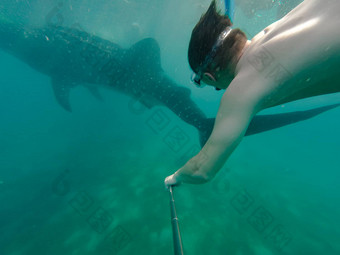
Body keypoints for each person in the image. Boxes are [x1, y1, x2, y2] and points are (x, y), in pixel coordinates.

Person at [165, 0, 340, 187]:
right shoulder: (272, 32)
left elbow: (201, 170)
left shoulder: (244, 83)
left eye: (209, 84)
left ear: (211, 76)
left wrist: (175, 177)